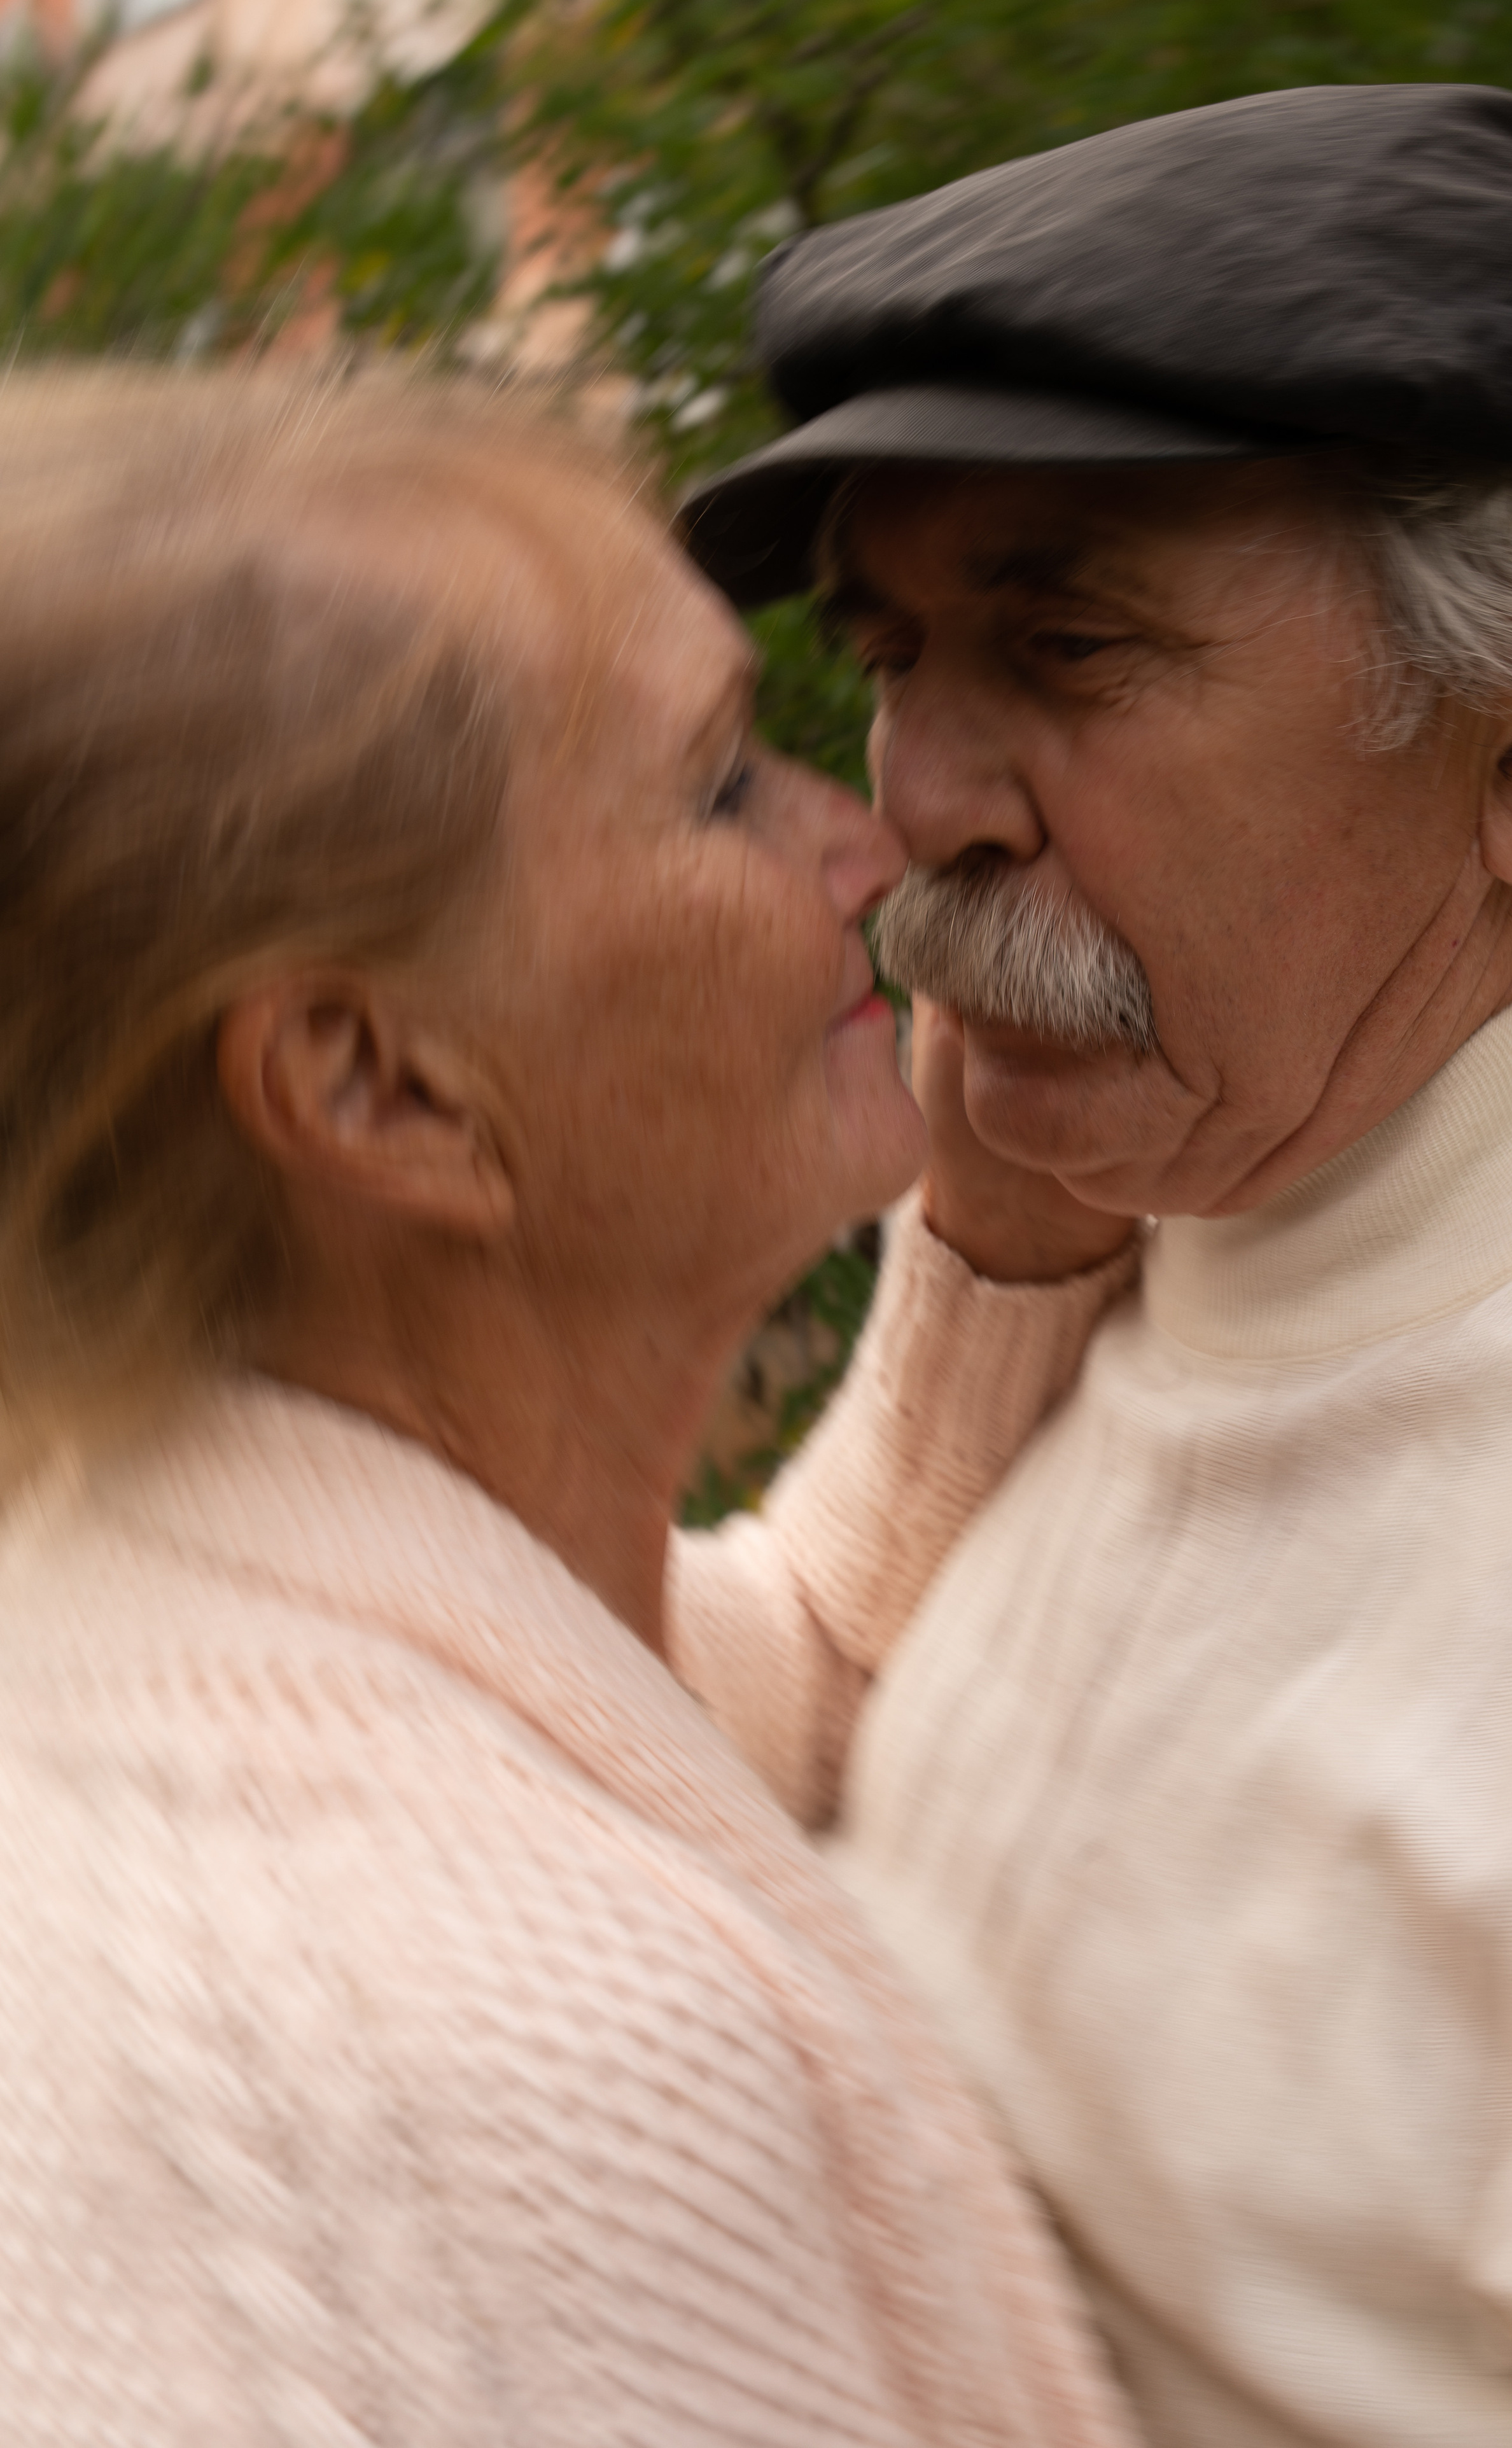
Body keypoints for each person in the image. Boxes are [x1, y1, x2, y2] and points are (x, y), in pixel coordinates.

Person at [0, 367, 1138, 2447]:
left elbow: (770, 1659)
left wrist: (1010, 1220)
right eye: (716, 791)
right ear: (383, 1091)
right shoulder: (527, 2093)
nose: (866, 831)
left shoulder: (193, 1599)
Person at [675, 82, 1512, 2448]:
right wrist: (987, 1267)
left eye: (1071, 649)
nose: (915, 796)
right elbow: (807, 1671)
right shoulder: (1201, 1141)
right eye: (897, 652)